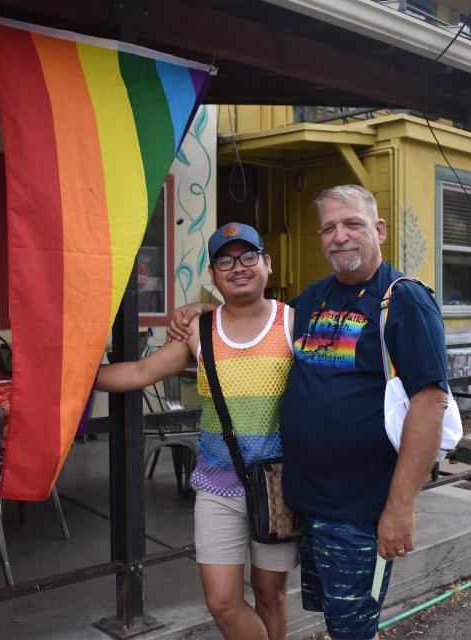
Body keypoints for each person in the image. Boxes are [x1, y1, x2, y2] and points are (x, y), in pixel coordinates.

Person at [169, 185, 448, 640]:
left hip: (362, 507)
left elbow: (430, 402)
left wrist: (400, 508)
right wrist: (207, 310)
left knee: (355, 629)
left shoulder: (404, 300)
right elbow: (253, 317)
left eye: (352, 224)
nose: (340, 236)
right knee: (335, 621)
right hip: (307, 503)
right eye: (329, 228)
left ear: (378, 230)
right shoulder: (314, 298)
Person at [96, 222, 297, 640]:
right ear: (212, 274)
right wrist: (72, 379)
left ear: (267, 263)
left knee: (270, 594)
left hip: (280, 486)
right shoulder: (200, 331)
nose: (237, 267)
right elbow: (139, 371)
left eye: (248, 256)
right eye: (225, 260)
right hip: (217, 487)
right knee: (222, 600)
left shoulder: (293, 323)